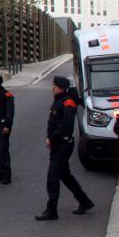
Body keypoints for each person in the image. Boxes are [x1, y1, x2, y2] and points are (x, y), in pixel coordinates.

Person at [36, 76, 94, 221]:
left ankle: (52, 211)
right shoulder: (59, 100)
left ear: (60, 87)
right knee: (65, 176)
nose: (52, 88)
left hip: (63, 144)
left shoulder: (68, 103)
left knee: (53, 177)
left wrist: (51, 137)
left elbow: (65, 126)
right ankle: (85, 201)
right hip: (58, 144)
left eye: (54, 85)